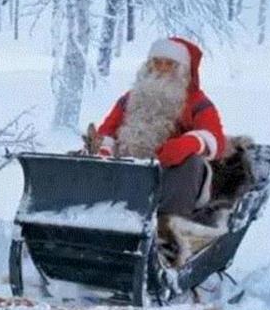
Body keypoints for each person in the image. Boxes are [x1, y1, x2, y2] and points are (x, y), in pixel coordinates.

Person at [95, 37, 226, 219]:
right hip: (128, 169)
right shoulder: (131, 98)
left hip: (169, 176)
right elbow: (107, 130)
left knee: (191, 163)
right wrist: (104, 147)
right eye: (157, 63)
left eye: (170, 64)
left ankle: (169, 222)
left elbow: (216, 140)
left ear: (182, 70)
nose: (162, 69)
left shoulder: (197, 103)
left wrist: (191, 142)